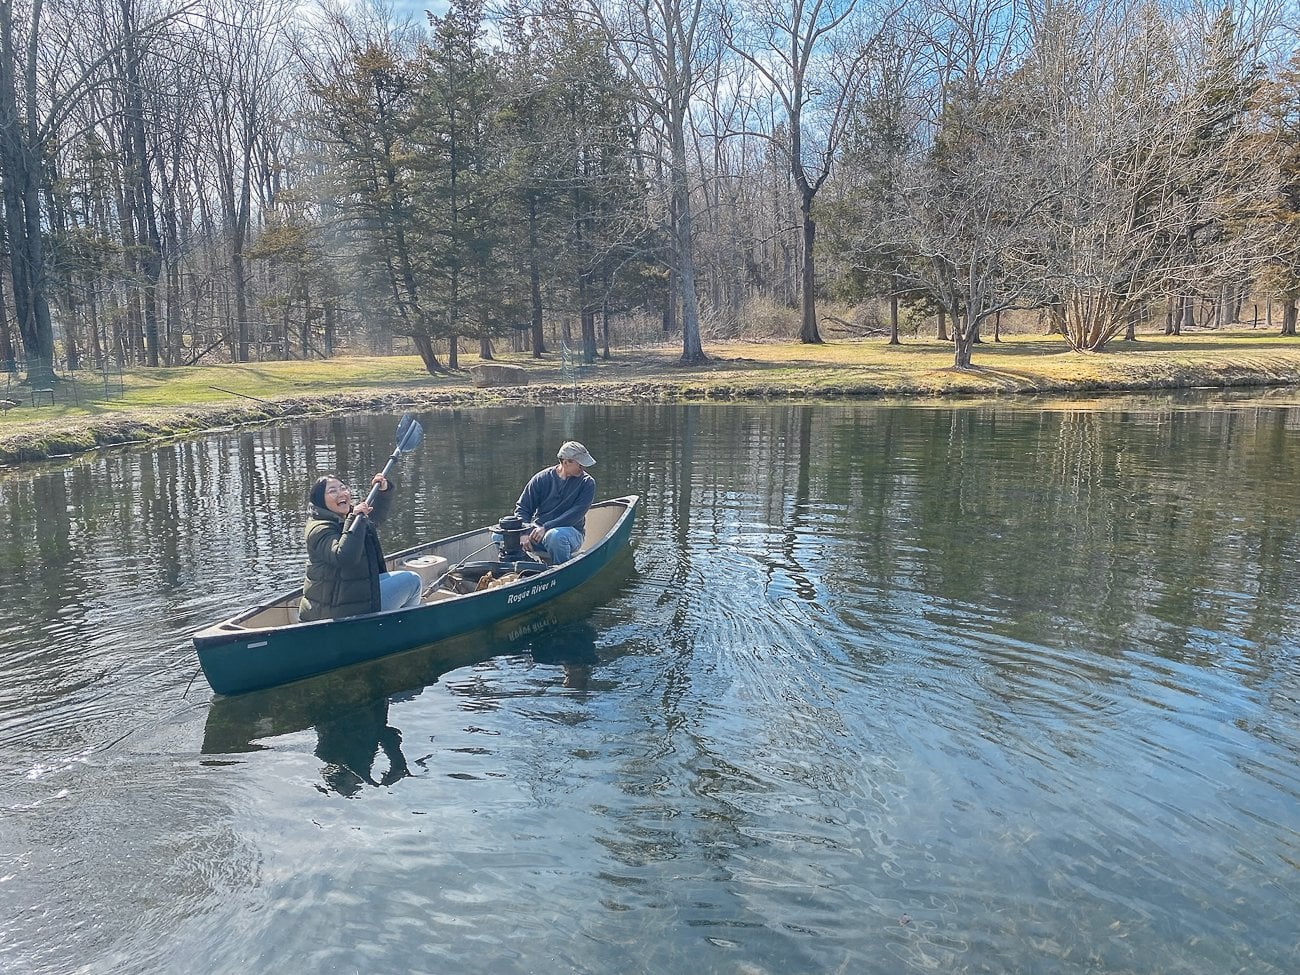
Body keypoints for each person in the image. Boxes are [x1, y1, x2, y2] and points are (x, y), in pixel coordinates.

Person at [298, 472, 423, 622]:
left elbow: (373, 518)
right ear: (320, 500)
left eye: (343, 488)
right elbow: (344, 557)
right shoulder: (319, 529)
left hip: (346, 598)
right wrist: (353, 519)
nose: (341, 493)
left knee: (398, 579)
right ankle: (402, 627)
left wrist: (382, 492)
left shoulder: (344, 517)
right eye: (332, 491)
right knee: (413, 580)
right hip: (335, 612)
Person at [514, 440, 596, 564]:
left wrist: (546, 527)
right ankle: (523, 565)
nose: (583, 468)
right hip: (538, 532)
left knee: (554, 536)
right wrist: (523, 532)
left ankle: (561, 571)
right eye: (580, 464)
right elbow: (523, 508)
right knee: (501, 536)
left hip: (569, 532)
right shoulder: (541, 479)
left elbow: (575, 514)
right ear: (565, 462)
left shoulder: (587, 483)